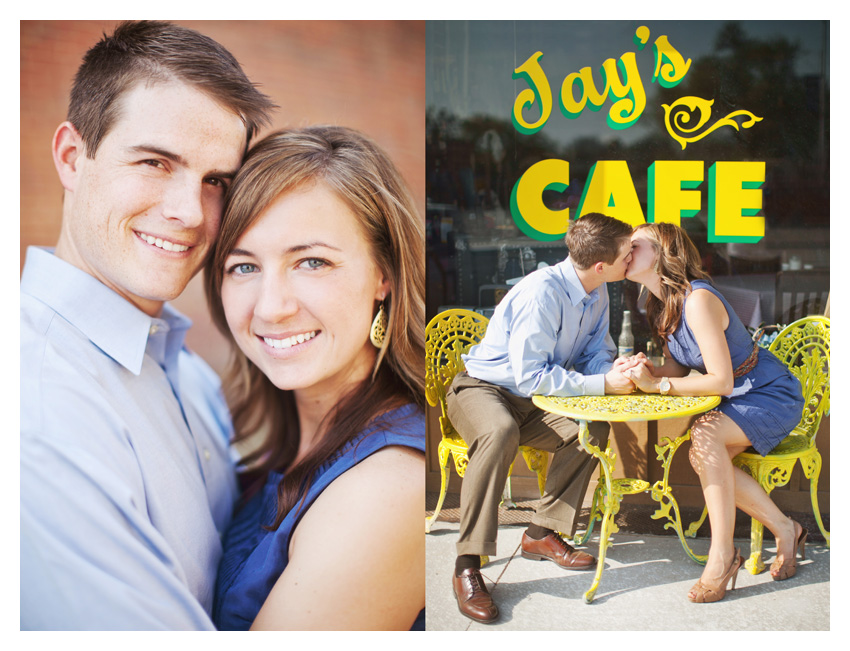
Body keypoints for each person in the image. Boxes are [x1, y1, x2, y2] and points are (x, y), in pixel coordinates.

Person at [20, 21, 275, 630]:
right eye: (156, 162)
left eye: (216, 181)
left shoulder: (188, 374)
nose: (189, 212)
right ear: (72, 158)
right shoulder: (37, 409)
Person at [205, 125, 426, 630]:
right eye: (243, 267)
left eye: (312, 262)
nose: (271, 307)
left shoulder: (385, 488)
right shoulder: (277, 434)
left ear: (383, 274)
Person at [445, 213, 641, 623]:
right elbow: (530, 374)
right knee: (499, 431)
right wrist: (602, 384)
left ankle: (540, 532)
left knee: (589, 430)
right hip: (483, 389)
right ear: (601, 264)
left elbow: (596, 351)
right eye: (628, 252)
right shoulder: (543, 293)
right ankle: (467, 564)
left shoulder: (597, 289)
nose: (634, 257)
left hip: (535, 400)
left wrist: (612, 371)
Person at [623, 222, 806, 603]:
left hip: (769, 393)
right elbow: (679, 366)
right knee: (704, 451)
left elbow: (720, 380)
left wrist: (657, 387)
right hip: (739, 398)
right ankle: (785, 529)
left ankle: (722, 555)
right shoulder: (657, 302)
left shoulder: (698, 300)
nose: (626, 249)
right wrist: (648, 371)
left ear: (661, 254)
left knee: (703, 439)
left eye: (635, 244)